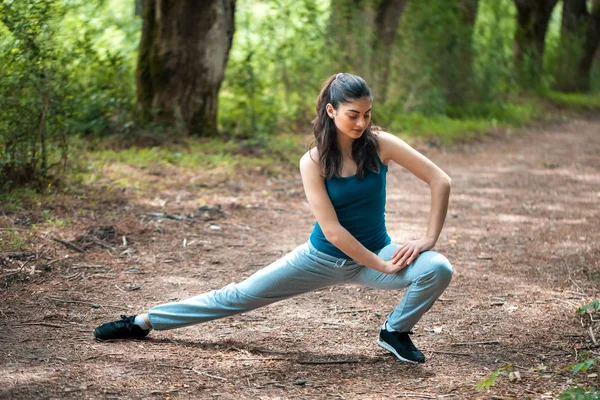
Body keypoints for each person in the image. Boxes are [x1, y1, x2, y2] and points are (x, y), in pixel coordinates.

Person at [93, 73, 453, 364]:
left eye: (367, 114)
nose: (362, 122)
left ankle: (394, 332)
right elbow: (333, 231)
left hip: (376, 254)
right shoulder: (312, 162)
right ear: (331, 111)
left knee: (438, 268)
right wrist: (384, 266)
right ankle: (142, 321)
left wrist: (428, 239)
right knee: (236, 296)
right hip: (322, 259)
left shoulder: (381, 144)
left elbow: (440, 180)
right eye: (353, 114)